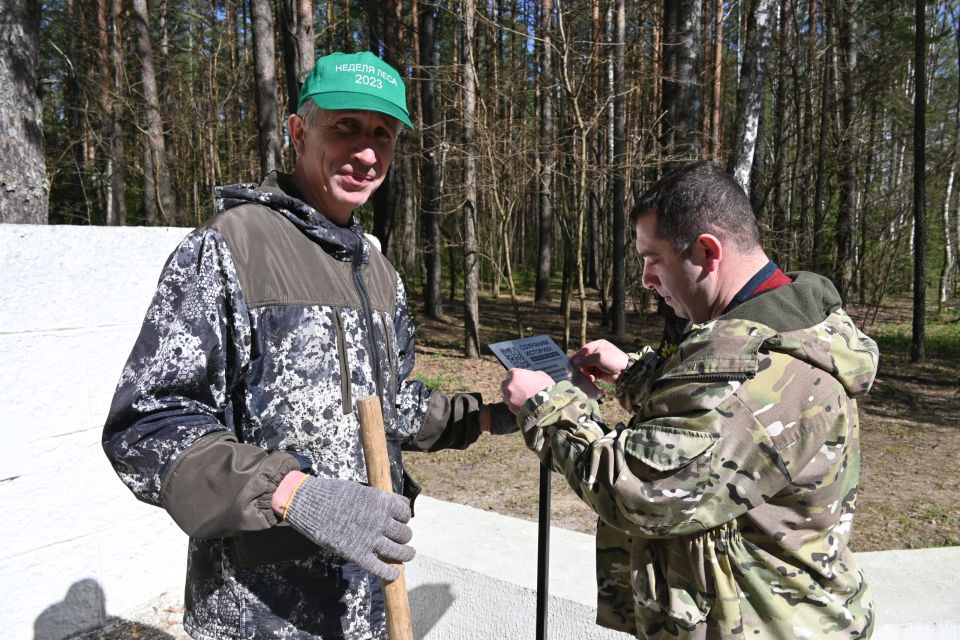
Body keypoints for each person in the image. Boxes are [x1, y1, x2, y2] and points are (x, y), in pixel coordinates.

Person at [102, 51, 514, 640]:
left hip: (366, 601)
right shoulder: (231, 247)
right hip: (259, 610)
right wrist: (293, 494)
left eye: (382, 134)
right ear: (299, 132)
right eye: (345, 127)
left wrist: (494, 416)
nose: (367, 153)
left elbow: (389, 408)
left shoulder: (378, 273)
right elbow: (148, 424)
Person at [502, 161, 877, 640]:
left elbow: (638, 493)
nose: (646, 279)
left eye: (653, 259)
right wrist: (637, 375)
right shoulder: (779, 325)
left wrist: (546, 408)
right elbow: (707, 417)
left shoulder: (752, 373)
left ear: (706, 251)